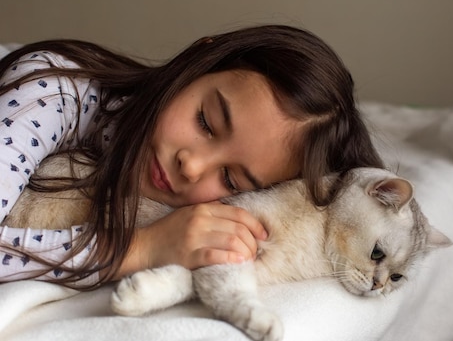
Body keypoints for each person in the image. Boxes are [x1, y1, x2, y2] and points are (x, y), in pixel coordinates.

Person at [0, 24, 383, 288]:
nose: (192, 165)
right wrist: (140, 249)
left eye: (230, 180)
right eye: (205, 121)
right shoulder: (52, 90)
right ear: (201, 60)